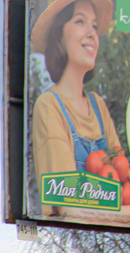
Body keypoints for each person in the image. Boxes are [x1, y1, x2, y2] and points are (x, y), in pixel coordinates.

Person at [31, 0, 120, 191]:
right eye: (80, 21)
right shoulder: (49, 106)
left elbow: (122, 176)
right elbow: (65, 199)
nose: (92, 33)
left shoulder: (98, 106)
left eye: (94, 26)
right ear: (58, 36)